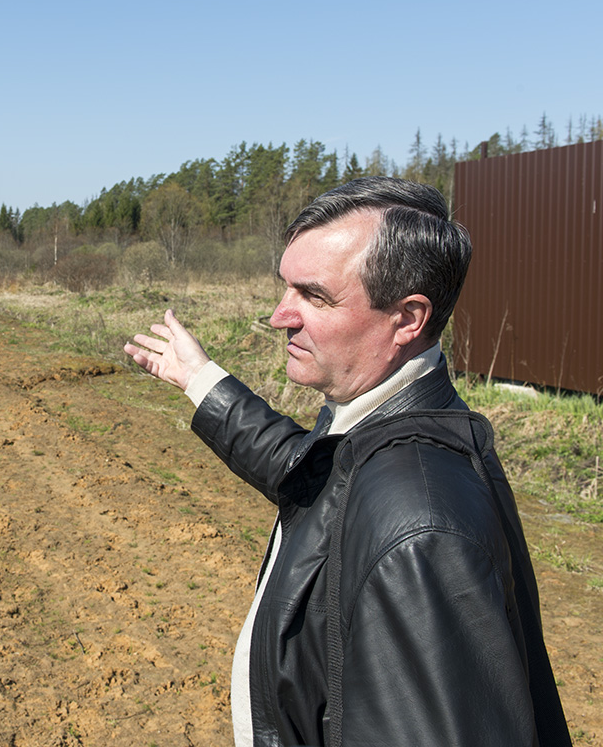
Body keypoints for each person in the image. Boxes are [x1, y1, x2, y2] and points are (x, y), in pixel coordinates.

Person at [124, 177, 570, 747]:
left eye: (314, 296)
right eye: (285, 287)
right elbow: (317, 477)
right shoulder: (374, 428)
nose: (278, 316)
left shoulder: (419, 524)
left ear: (407, 318)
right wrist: (201, 381)